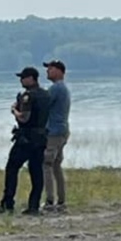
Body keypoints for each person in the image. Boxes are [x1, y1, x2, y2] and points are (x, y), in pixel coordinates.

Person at [0, 66, 51, 215]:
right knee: (36, 172)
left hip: (26, 138)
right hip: (41, 138)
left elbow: (23, 118)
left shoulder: (28, 96)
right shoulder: (46, 95)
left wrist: (14, 110)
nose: (21, 80)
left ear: (31, 78)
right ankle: (34, 205)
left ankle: (8, 203)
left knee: (12, 167)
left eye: (23, 77)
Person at [42, 59, 71, 212]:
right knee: (56, 166)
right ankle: (61, 200)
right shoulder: (63, 89)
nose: (48, 71)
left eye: (51, 68)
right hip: (63, 130)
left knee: (47, 164)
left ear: (59, 71)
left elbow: (43, 104)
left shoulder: (56, 88)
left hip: (53, 131)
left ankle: (50, 200)